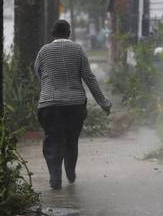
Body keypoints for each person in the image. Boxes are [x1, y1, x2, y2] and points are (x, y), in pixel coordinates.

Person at [34, 19, 112, 190]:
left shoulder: (44, 51)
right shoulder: (77, 49)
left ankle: (55, 178)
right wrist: (103, 102)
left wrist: (50, 88)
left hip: (49, 105)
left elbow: (38, 72)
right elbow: (89, 78)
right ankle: (70, 173)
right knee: (71, 140)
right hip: (74, 105)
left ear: (52, 33)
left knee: (52, 141)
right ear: (69, 32)